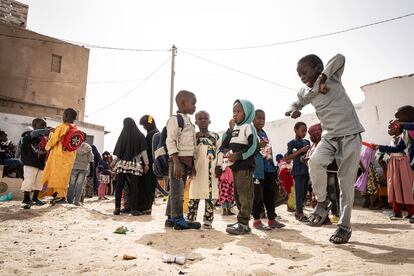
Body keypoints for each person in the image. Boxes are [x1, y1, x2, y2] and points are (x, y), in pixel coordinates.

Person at [286, 54, 365, 244]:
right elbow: (295, 103)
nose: (301, 76)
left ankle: (344, 227)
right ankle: (322, 203)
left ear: (318, 68)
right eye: (299, 74)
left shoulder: (333, 78)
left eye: (304, 72)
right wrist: (292, 110)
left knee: (345, 186)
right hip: (329, 137)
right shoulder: (306, 91)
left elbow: (340, 57)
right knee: (314, 161)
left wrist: (323, 78)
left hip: (350, 136)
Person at [164, 90, 201, 230]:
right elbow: (170, 141)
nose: (195, 106)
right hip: (177, 161)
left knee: (175, 190)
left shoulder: (188, 121)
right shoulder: (175, 120)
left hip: (186, 161)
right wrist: (176, 163)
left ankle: (170, 218)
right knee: (178, 191)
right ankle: (178, 219)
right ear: (183, 103)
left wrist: (193, 164)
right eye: (193, 103)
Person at [221, 99, 258, 235]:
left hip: (244, 166)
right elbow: (224, 143)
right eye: (234, 111)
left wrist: (238, 156)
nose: (235, 114)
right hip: (235, 168)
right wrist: (229, 130)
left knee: (245, 195)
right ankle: (241, 222)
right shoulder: (235, 129)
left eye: (239, 111)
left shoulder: (249, 127)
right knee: (237, 195)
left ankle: (243, 222)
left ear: (247, 113)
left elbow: (253, 146)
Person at [186, 111, 222, 229]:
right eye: (200, 119)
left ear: (210, 121)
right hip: (197, 170)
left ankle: (208, 220)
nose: (203, 120)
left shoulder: (215, 136)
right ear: (195, 122)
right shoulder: (193, 137)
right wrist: (190, 167)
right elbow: (189, 153)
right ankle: (191, 218)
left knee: (210, 196)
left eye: (205, 118)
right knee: (194, 194)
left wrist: (219, 166)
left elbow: (220, 151)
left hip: (211, 171)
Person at [374, 118, 414, 220]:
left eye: (389, 128)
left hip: (402, 163)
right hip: (393, 163)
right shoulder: (393, 139)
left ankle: (411, 212)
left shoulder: (404, 136)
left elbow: (398, 149)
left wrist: (380, 147)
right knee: (395, 187)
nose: (388, 130)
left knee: (405, 187)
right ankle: (397, 212)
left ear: (396, 127)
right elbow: (391, 150)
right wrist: (380, 149)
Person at [252, 109, 285, 230]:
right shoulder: (252, 132)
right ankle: (256, 221)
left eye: (263, 118)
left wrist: (273, 166)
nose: (261, 121)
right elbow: (250, 149)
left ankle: (272, 220)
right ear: (252, 119)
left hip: (269, 169)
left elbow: (268, 151)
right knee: (258, 196)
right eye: (258, 118)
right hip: (258, 169)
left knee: (270, 195)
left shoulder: (263, 133)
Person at [40, 108, 79, 203]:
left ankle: (59, 196)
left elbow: (53, 140)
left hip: (59, 156)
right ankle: (61, 195)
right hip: (69, 157)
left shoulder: (61, 127)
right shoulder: (75, 128)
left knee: (56, 175)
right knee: (64, 176)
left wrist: (47, 146)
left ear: (65, 116)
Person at [113, 118, 149, 216]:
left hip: (122, 164)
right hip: (135, 164)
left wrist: (114, 161)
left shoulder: (123, 135)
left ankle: (117, 208)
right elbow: (143, 151)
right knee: (134, 187)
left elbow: (119, 151)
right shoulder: (140, 135)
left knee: (119, 186)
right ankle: (133, 209)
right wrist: (146, 164)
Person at [20, 118, 49, 208]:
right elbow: (32, 135)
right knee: (29, 180)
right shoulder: (29, 135)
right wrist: (45, 131)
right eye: (42, 125)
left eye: (45, 126)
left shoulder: (44, 138)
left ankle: (35, 198)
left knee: (39, 182)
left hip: (41, 164)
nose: (44, 127)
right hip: (30, 163)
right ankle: (26, 198)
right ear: (34, 126)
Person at [285, 122, 310, 222]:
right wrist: (300, 151)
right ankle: (299, 213)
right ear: (295, 130)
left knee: (304, 193)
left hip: (306, 170)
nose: (304, 133)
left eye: (305, 131)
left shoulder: (307, 142)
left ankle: (300, 210)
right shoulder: (292, 143)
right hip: (298, 171)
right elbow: (288, 158)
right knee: (299, 193)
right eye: (302, 130)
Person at [138, 115, 160, 214]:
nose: (144, 127)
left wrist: (146, 164)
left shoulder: (152, 134)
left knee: (147, 186)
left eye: (145, 125)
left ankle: (146, 208)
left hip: (150, 165)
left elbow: (147, 151)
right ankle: (147, 208)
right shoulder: (157, 132)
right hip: (154, 165)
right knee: (150, 186)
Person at [67, 132, 93, 206]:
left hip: (74, 167)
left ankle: (69, 201)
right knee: (79, 185)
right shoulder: (88, 147)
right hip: (83, 168)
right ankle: (76, 202)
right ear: (85, 138)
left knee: (71, 185)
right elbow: (91, 158)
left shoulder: (73, 145)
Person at [219, 119, 236, 216]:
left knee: (230, 191)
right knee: (224, 191)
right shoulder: (227, 134)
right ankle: (224, 210)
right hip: (225, 173)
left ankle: (229, 209)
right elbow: (223, 146)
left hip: (232, 170)